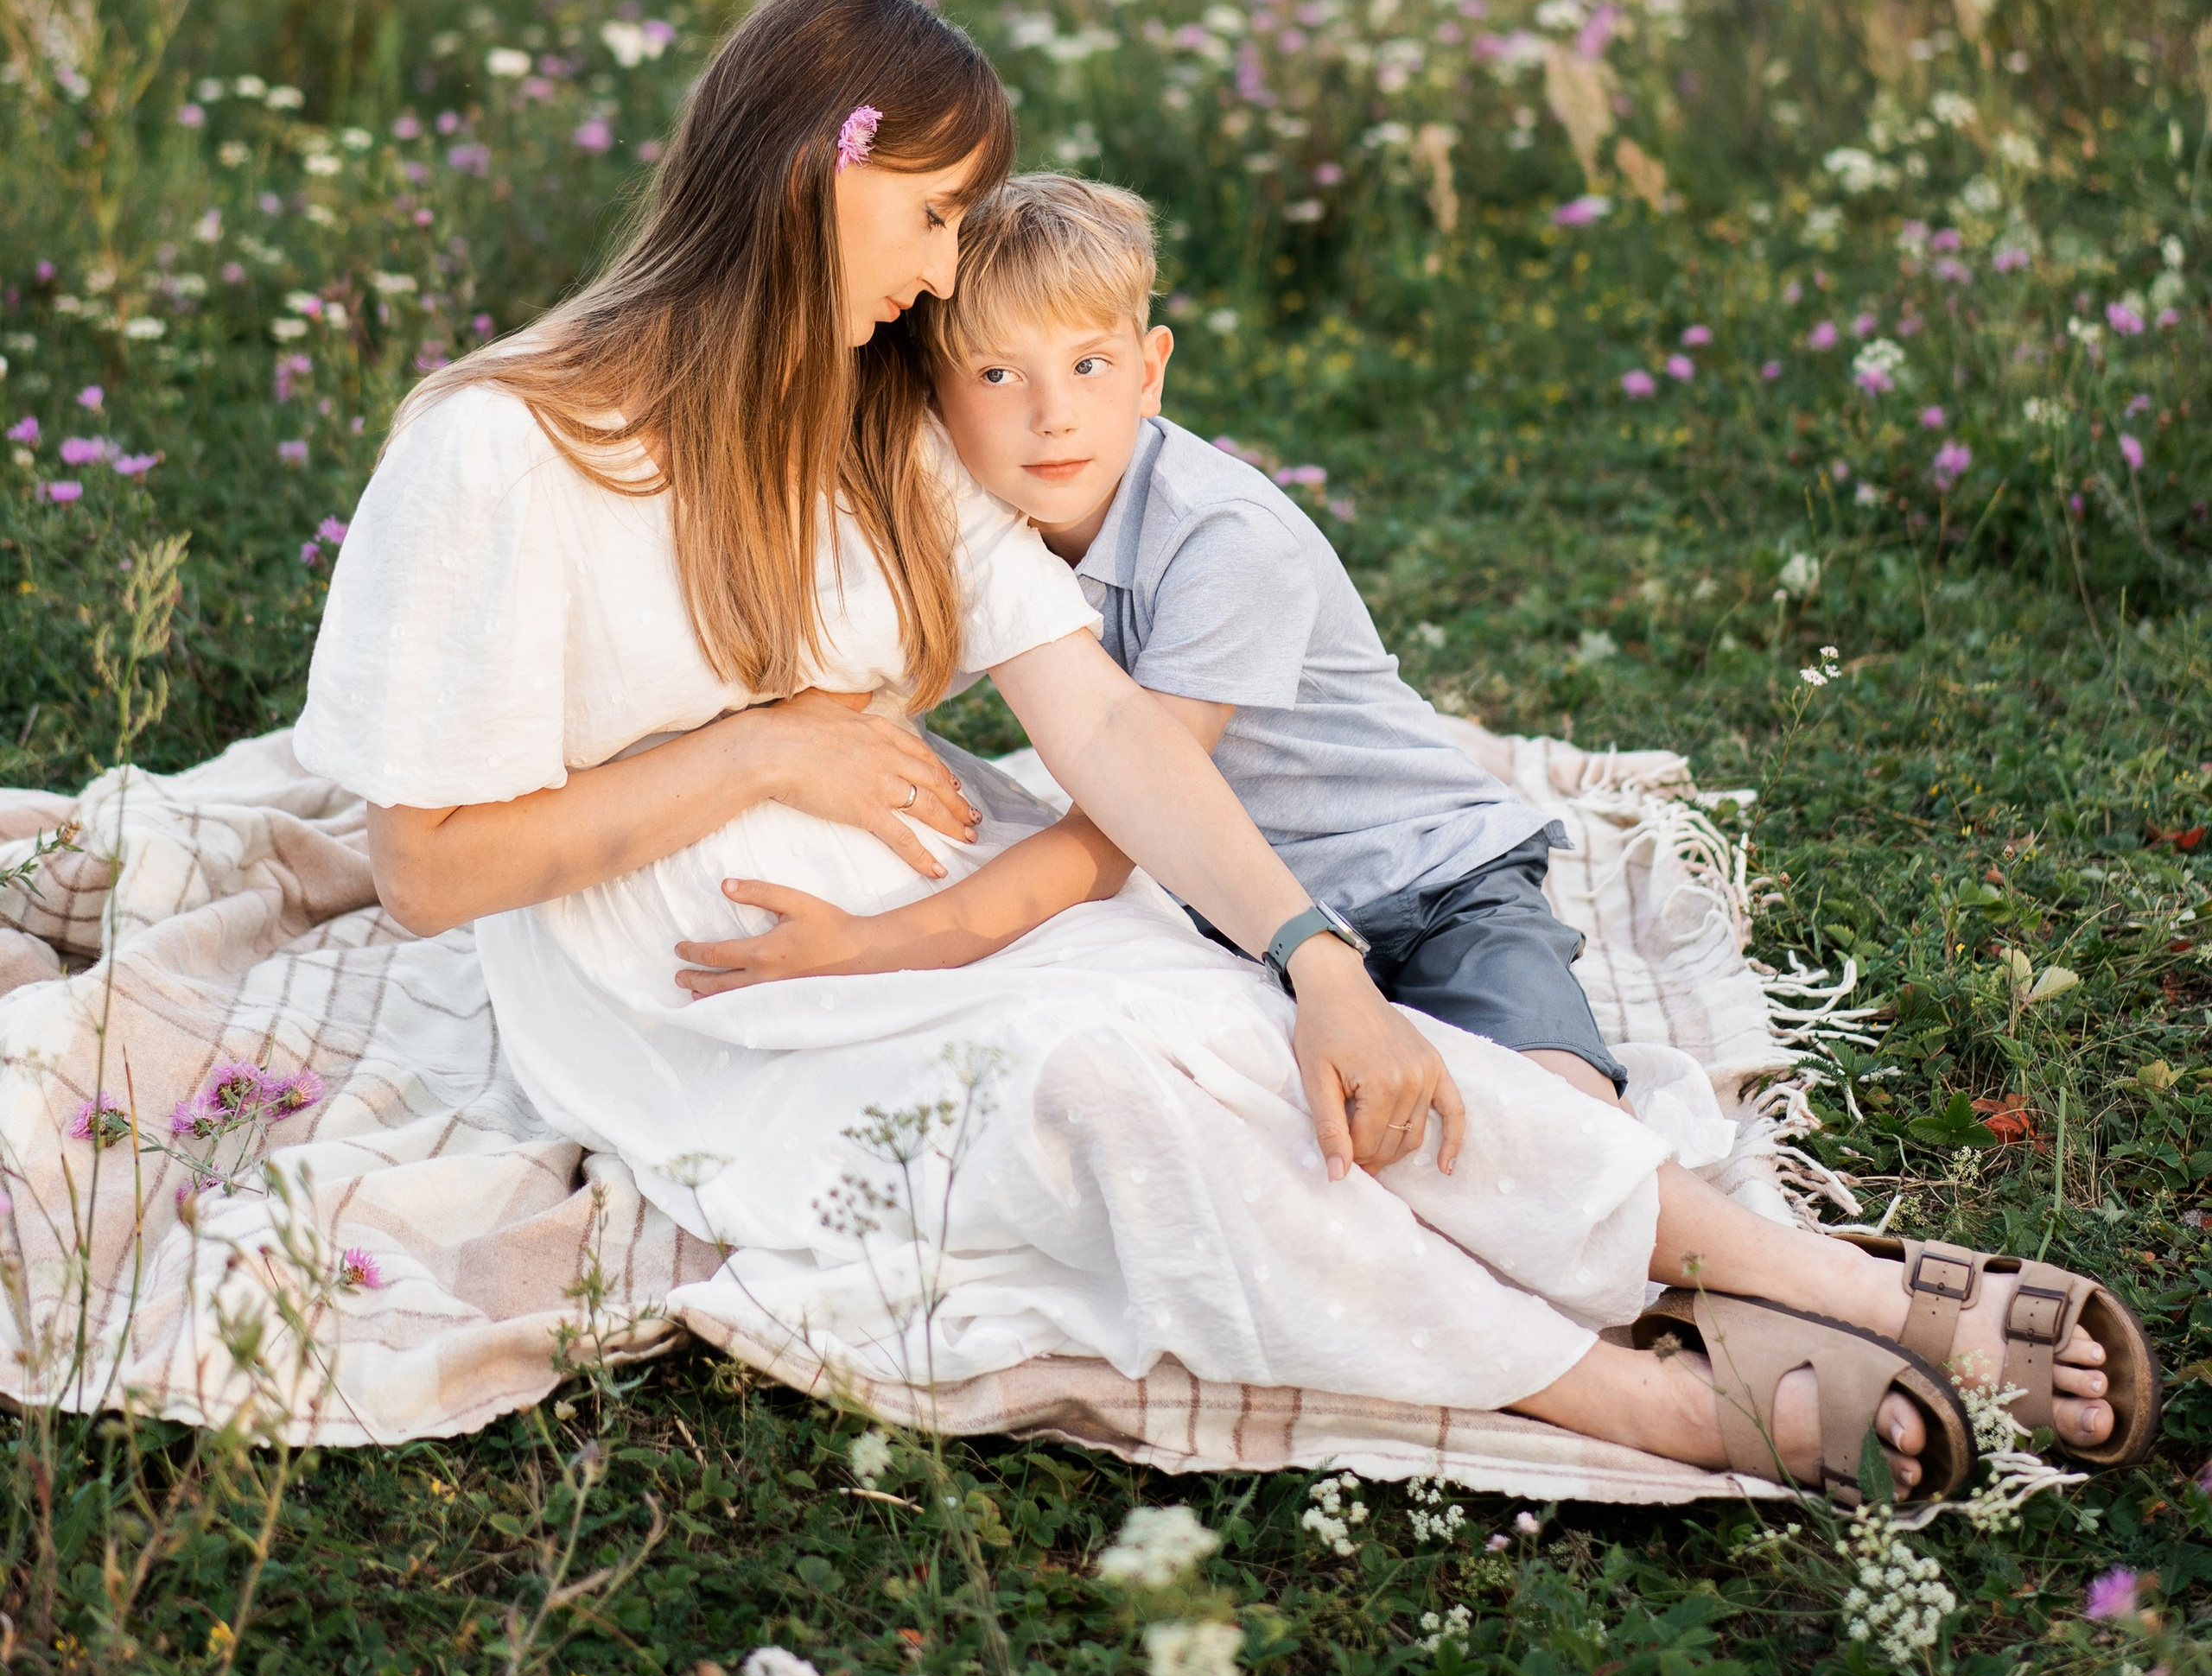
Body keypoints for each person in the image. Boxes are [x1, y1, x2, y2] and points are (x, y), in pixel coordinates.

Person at [290, 0, 2115, 1501]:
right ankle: (1610, 1389)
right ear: (813, 175)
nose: (943, 278)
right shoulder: (498, 445)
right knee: (1105, 1096)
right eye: (932, 214)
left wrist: (1313, 952)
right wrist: (761, 753)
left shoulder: (875, 428)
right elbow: (427, 870)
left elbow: (1105, 728)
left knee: (1232, 1037)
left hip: (945, 881)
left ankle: (1807, 1275)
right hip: (690, 981)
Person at [674, 162, 2152, 1479]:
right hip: (1247, 922)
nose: (1051, 411)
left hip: (1429, 885)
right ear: (936, 397)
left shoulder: (1222, 540)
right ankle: (1656, 1339)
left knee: (1556, 1138)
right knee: (1365, 1173)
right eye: (995, 375)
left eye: (1088, 362)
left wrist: (896, 941)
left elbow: (1111, 824)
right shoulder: (993, 540)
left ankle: (1820, 1282)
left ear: (1153, 369)